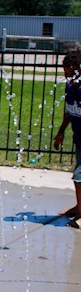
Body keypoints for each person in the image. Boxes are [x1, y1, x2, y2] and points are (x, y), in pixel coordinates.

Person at [54, 49, 81, 229]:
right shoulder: (71, 88)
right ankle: (79, 207)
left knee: (78, 177)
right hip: (79, 139)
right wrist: (61, 132)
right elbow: (69, 112)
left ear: (74, 67)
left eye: (66, 69)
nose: (64, 73)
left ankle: (80, 213)